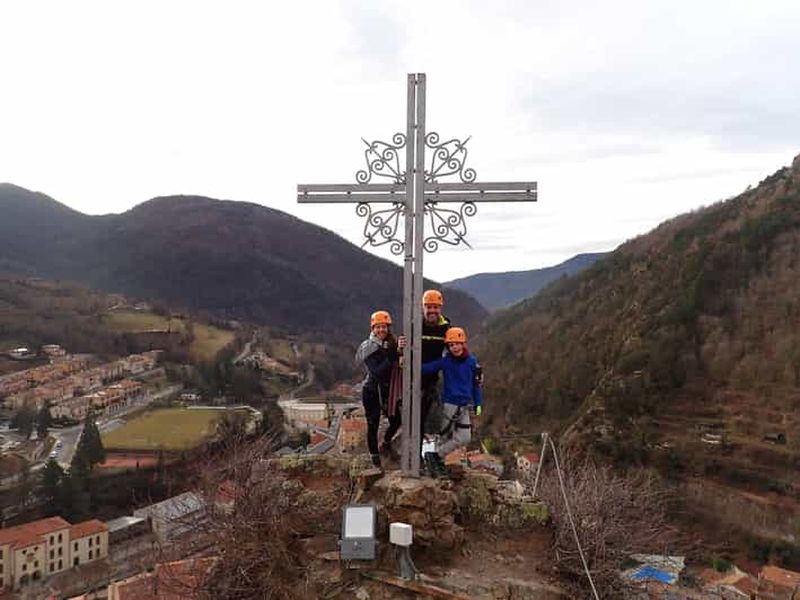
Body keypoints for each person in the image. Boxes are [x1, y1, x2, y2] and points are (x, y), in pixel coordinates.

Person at [421, 327, 482, 459]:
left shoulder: (472, 362)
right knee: (443, 436)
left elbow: (475, 384)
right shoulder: (446, 361)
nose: (455, 347)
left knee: (465, 437)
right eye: (451, 345)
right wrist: (408, 363)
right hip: (449, 404)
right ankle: (436, 462)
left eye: (457, 344)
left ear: (463, 344)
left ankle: (436, 456)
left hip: (464, 406)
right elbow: (426, 368)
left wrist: (478, 403)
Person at [355, 310, 404, 468]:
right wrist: (394, 354)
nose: (381, 330)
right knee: (373, 425)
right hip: (372, 391)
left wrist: (401, 349)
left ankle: (387, 442)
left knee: (396, 421)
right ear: (373, 328)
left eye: (384, 327)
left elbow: (397, 360)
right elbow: (377, 372)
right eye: (378, 327)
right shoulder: (368, 347)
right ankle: (375, 459)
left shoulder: (390, 344)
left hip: (388, 391)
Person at [420, 289, 450, 439]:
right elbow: (403, 346)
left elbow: (457, 349)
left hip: (431, 379)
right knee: (409, 416)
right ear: (423, 307)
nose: (432, 310)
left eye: (435, 307)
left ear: (440, 308)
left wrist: (474, 369)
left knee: (422, 416)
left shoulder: (446, 328)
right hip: (411, 378)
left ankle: (417, 453)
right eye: (429, 307)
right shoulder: (415, 325)